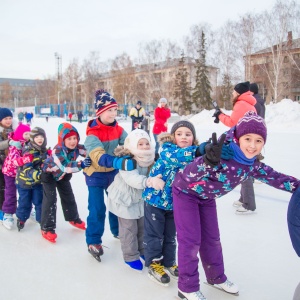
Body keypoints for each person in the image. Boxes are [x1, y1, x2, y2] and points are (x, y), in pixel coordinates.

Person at [172, 111, 300, 300]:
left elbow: (275, 177)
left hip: (206, 198)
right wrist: (207, 161)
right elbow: (186, 174)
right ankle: (187, 287)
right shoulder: (223, 152)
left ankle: (216, 277)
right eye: (248, 138)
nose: (252, 145)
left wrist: (298, 185)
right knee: (190, 241)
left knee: (212, 239)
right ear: (239, 137)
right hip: (185, 193)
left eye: (258, 141)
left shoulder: (251, 164)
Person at [143, 121, 200, 286]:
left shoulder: (194, 157)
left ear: (193, 138)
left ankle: (168, 261)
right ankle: (154, 263)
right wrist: (199, 151)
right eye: (179, 134)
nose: (183, 137)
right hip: (155, 200)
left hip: (175, 204)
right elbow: (177, 158)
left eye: (188, 134)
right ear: (173, 137)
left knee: (170, 236)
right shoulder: (167, 150)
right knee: (155, 235)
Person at [83, 89, 136, 262]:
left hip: (113, 174)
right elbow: (97, 156)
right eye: (109, 110)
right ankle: (93, 241)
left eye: (115, 110)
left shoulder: (119, 130)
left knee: (117, 203)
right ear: (100, 112)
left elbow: (130, 144)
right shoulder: (92, 134)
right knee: (97, 208)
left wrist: (142, 151)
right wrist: (117, 162)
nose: (113, 114)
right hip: (96, 175)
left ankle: (117, 231)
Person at [107, 129, 164, 271]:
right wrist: (149, 182)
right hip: (125, 200)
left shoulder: (151, 159)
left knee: (142, 226)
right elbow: (132, 179)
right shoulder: (127, 160)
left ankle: (142, 250)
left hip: (140, 199)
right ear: (132, 146)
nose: (145, 147)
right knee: (128, 229)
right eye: (140, 144)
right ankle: (130, 256)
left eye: (147, 143)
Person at [213, 81, 258, 214]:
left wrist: (219, 115)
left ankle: (249, 204)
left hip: (242, 142)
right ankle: (244, 197)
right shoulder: (250, 105)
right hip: (248, 141)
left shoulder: (240, 104)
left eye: (234, 91)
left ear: (238, 92)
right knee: (243, 169)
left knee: (244, 171)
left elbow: (232, 123)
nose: (232, 93)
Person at [41, 123, 89, 243]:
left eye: (75, 138)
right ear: (62, 140)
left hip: (63, 176)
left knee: (68, 196)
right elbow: (64, 166)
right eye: (69, 139)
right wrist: (81, 164)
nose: (73, 141)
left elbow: (89, 152)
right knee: (50, 200)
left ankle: (73, 218)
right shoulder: (57, 151)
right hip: (49, 175)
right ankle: (47, 227)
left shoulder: (77, 148)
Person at [15, 127, 48, 231]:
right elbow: (27, 169)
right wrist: (39, 175)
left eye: (41, 136)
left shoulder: (44, 150)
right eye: (37, 137)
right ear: (32, 139)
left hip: (37, 183)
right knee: (25, 202)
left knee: (39, 201)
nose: (40, 139)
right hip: (24, 183)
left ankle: (41, 220)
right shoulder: (28, 152)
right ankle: (21, 218)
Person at [1, 124, 31, 229]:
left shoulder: (28, 144)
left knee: (25, 192)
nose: (27, 136)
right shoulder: (16, 145)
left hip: (21, 173)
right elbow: (15, 161)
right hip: (10, 173)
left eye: (29, 134)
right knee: (11, 192)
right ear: (19, 135)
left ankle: (27, 210)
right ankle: (8, 213)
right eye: (25, 134)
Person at [0, 108, 18, 223]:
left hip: (13, 164)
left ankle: (13, 207)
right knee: (2, 187)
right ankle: (2, 209)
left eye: (10, 118)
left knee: (13, 187)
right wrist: (9, 142)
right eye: (5, 118)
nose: (8, 121)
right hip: (1, 164)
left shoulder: (15, 129)